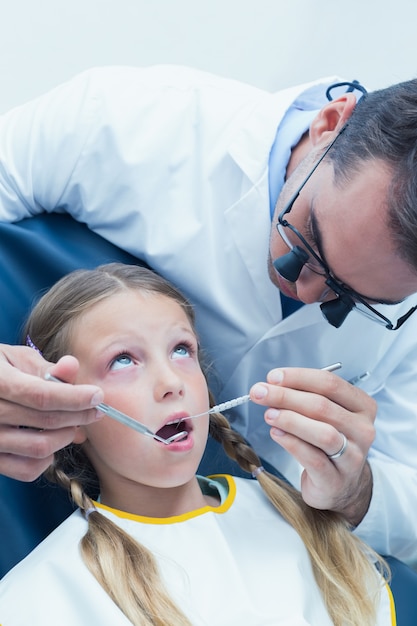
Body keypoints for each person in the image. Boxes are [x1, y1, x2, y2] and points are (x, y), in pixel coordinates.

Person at [0, 65, 416, 565]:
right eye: (307, 240)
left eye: (352, 299)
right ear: (330, 122)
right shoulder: (123, 121)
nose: (305, 292)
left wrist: (358, 490)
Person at [0, 263, 394, 625]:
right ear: (65, 409)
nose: (172, 382)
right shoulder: (42, 598)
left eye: (181, 350)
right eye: (123, 360)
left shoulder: (298, 523)